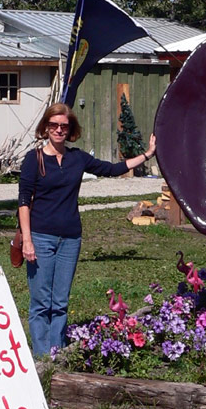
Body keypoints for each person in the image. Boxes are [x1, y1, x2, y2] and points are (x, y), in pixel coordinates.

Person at [18, 102, 156, 358]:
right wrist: (27, 240)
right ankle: (40, 357)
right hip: (40, 237)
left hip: (70, 238)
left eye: (63, 126)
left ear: (69, 129)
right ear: (45, 127)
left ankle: (56, 354)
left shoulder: (77, 158)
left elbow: (112, 169)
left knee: (60, 302)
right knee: (40, 303)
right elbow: (24, 201)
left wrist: (147, 154)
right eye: (53, 125)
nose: (58, 130)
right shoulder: (33, 159)